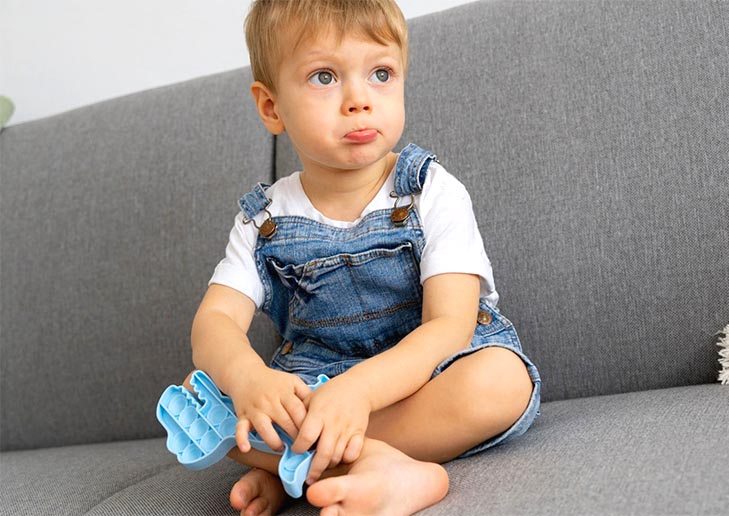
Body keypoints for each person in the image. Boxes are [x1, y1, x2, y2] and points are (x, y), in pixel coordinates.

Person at [181, 0, 542, 514]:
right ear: (271, 107)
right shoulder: (261, 220)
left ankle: (302, 464)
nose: (358, 100)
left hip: (429, 374)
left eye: (380, 73)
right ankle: (366, 467)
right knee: (219, 406)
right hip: (319, 381)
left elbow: (450, 325)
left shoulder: (429, 191)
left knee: (500, 382)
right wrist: (248, 379)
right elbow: (214, 320)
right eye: (324, 76)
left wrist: (357, 394)